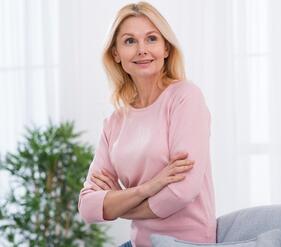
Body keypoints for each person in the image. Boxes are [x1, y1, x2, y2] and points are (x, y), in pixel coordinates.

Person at [77, 2, 216, 247]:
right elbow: (88, 206)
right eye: (130, 41)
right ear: (116, 54)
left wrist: (119, 204)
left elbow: (182, 191)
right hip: (139, 242)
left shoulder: (185, 97)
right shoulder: (114, 122)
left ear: (165, 49)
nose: (142, 50)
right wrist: (148, 188)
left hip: (186, 243)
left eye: (151, 39)